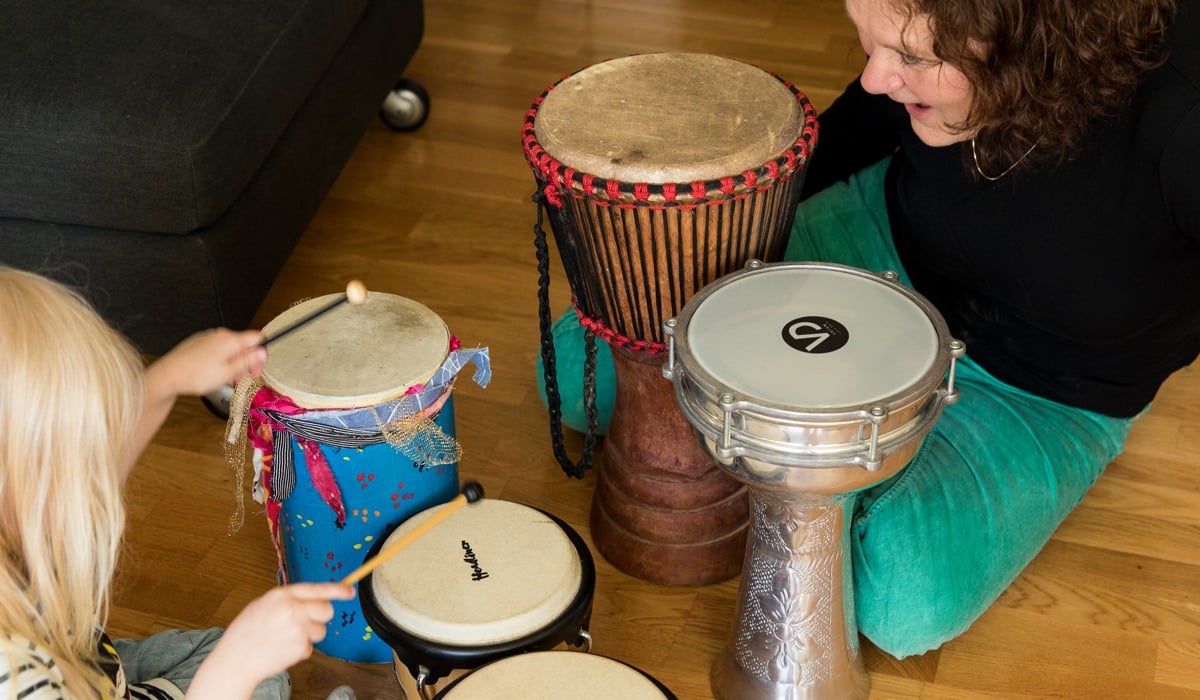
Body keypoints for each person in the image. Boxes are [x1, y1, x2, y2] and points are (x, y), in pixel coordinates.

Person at [540, 0, 1198, 658]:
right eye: (870, 43)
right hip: (885, 250)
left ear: (1035, 46)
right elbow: (859, 121)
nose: (878, 76)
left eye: (911, 57)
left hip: (1044, 387)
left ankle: (791, 461)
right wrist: (710, 236)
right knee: (576, 374)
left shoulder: (1181, 115)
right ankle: (806, 460)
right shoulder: (924, 56)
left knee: (902, 602)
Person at [0, 266, 355, 699]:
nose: (97, 480)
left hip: (87, 665)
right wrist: (234, 669)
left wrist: (168, 378)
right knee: (252, 671)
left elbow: (86, 483)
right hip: (71, 682)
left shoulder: (20, 527)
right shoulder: (19, 682)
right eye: (82, 457)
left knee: (251, 662)